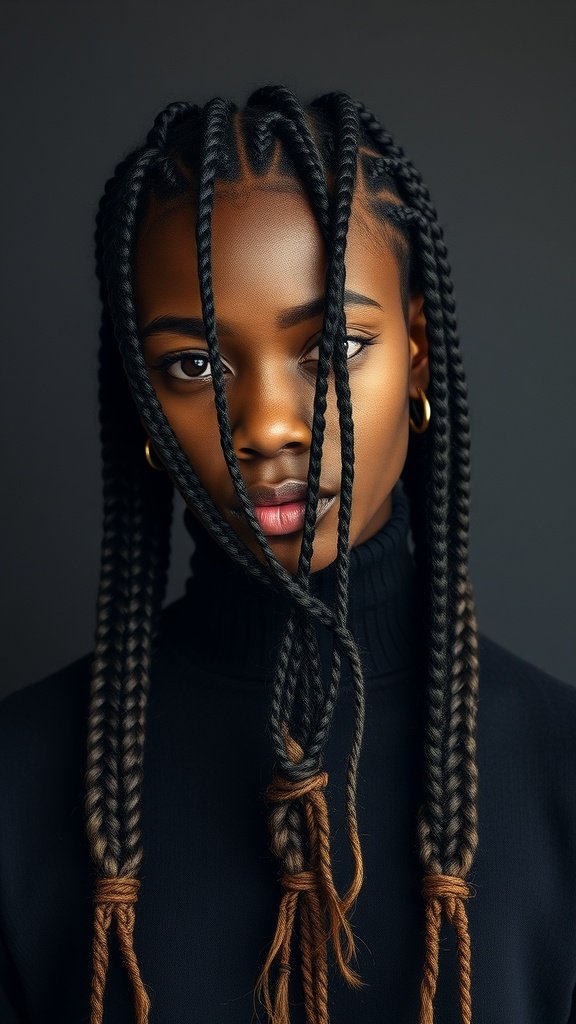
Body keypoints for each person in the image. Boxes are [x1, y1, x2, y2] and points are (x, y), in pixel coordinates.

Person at [0, 85, 574, 1024]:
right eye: (193, 367)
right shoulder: (22, 784)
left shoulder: (559, 775)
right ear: (143, 406)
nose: (268, 427)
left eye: (335, 346)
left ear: (420, 353)